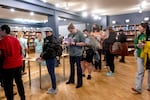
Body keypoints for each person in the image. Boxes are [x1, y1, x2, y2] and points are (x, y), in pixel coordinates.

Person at [0, 25, 25, 100]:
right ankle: (23, 98)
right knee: (19, 82)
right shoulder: (16, 40)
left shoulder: (2, 41)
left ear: (4, 31)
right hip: (18, 64)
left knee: (8, 85)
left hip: (8, 66)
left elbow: (2, 55)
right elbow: (20, 51)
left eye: (0, 30)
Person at [132, 23, 150, 94]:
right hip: (140, 55)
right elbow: (134, 44)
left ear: (145, 28)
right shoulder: (138, 35)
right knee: (140, 71)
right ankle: (138, 88)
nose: (138, 29)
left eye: (140, 27)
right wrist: (138, 45)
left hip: (148, 56)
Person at [65, 23, 85, 88]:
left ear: (74, 28)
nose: (70, 32)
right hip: (71, 53)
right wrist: (66, 43)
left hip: (78, 54)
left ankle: (79, 83)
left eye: (71, 31)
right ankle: (71, 80)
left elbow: (84, 43)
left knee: (78, 68)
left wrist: (75, 43)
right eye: (69, 31)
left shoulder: (80, 34)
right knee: (71, 67)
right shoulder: (69, 34)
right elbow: (68, 42)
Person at [40, 27, 57, 94]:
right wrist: (42, 55)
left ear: (51, 32)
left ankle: (54, 88)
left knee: (51, 73)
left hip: (50, 58)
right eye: (45, 32)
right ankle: (53, 87)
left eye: (47, 32)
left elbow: (49, 50)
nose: (46, 33)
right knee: (51, 73)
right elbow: (45, 49)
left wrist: (42, 56)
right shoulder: (47, 39)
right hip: (48, 58)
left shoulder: (52, 39)